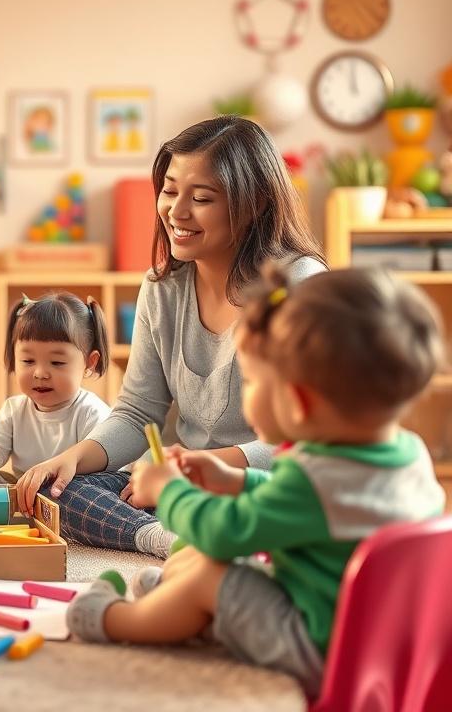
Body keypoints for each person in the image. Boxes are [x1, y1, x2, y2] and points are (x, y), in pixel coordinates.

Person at [66, 263, 447, 695]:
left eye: (252, 382)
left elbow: (224, 534)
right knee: (204, 562)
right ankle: (177, 604)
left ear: (298, 402)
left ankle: (114, 619)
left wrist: (167, 490)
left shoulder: (311, 479)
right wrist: (236, 481)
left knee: (214, 571)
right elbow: (310, 505)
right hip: (374, 638)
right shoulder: (408, 453)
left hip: (322, 647)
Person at [16, 116, 327, 557]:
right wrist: (73, 458)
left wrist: (198, 469)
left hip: (264, 482)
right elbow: (138, 411)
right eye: (169, 190)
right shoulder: (162, 286)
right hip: (180, 483)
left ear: (254, 202)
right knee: (58, 491)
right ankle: (169, 540)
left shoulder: (301, 287)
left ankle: (206, 532)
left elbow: (315, 437)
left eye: (201, 198)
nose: (176, 212)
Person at [0, 292, 112, 487]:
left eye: (57, 362)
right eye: (28, 361)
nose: (40, 373)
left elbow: (103, 469)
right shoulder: (14, 409)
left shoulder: (91, 412)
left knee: (82, 488)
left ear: (89, 362)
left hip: (68, 489)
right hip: (24, 490)